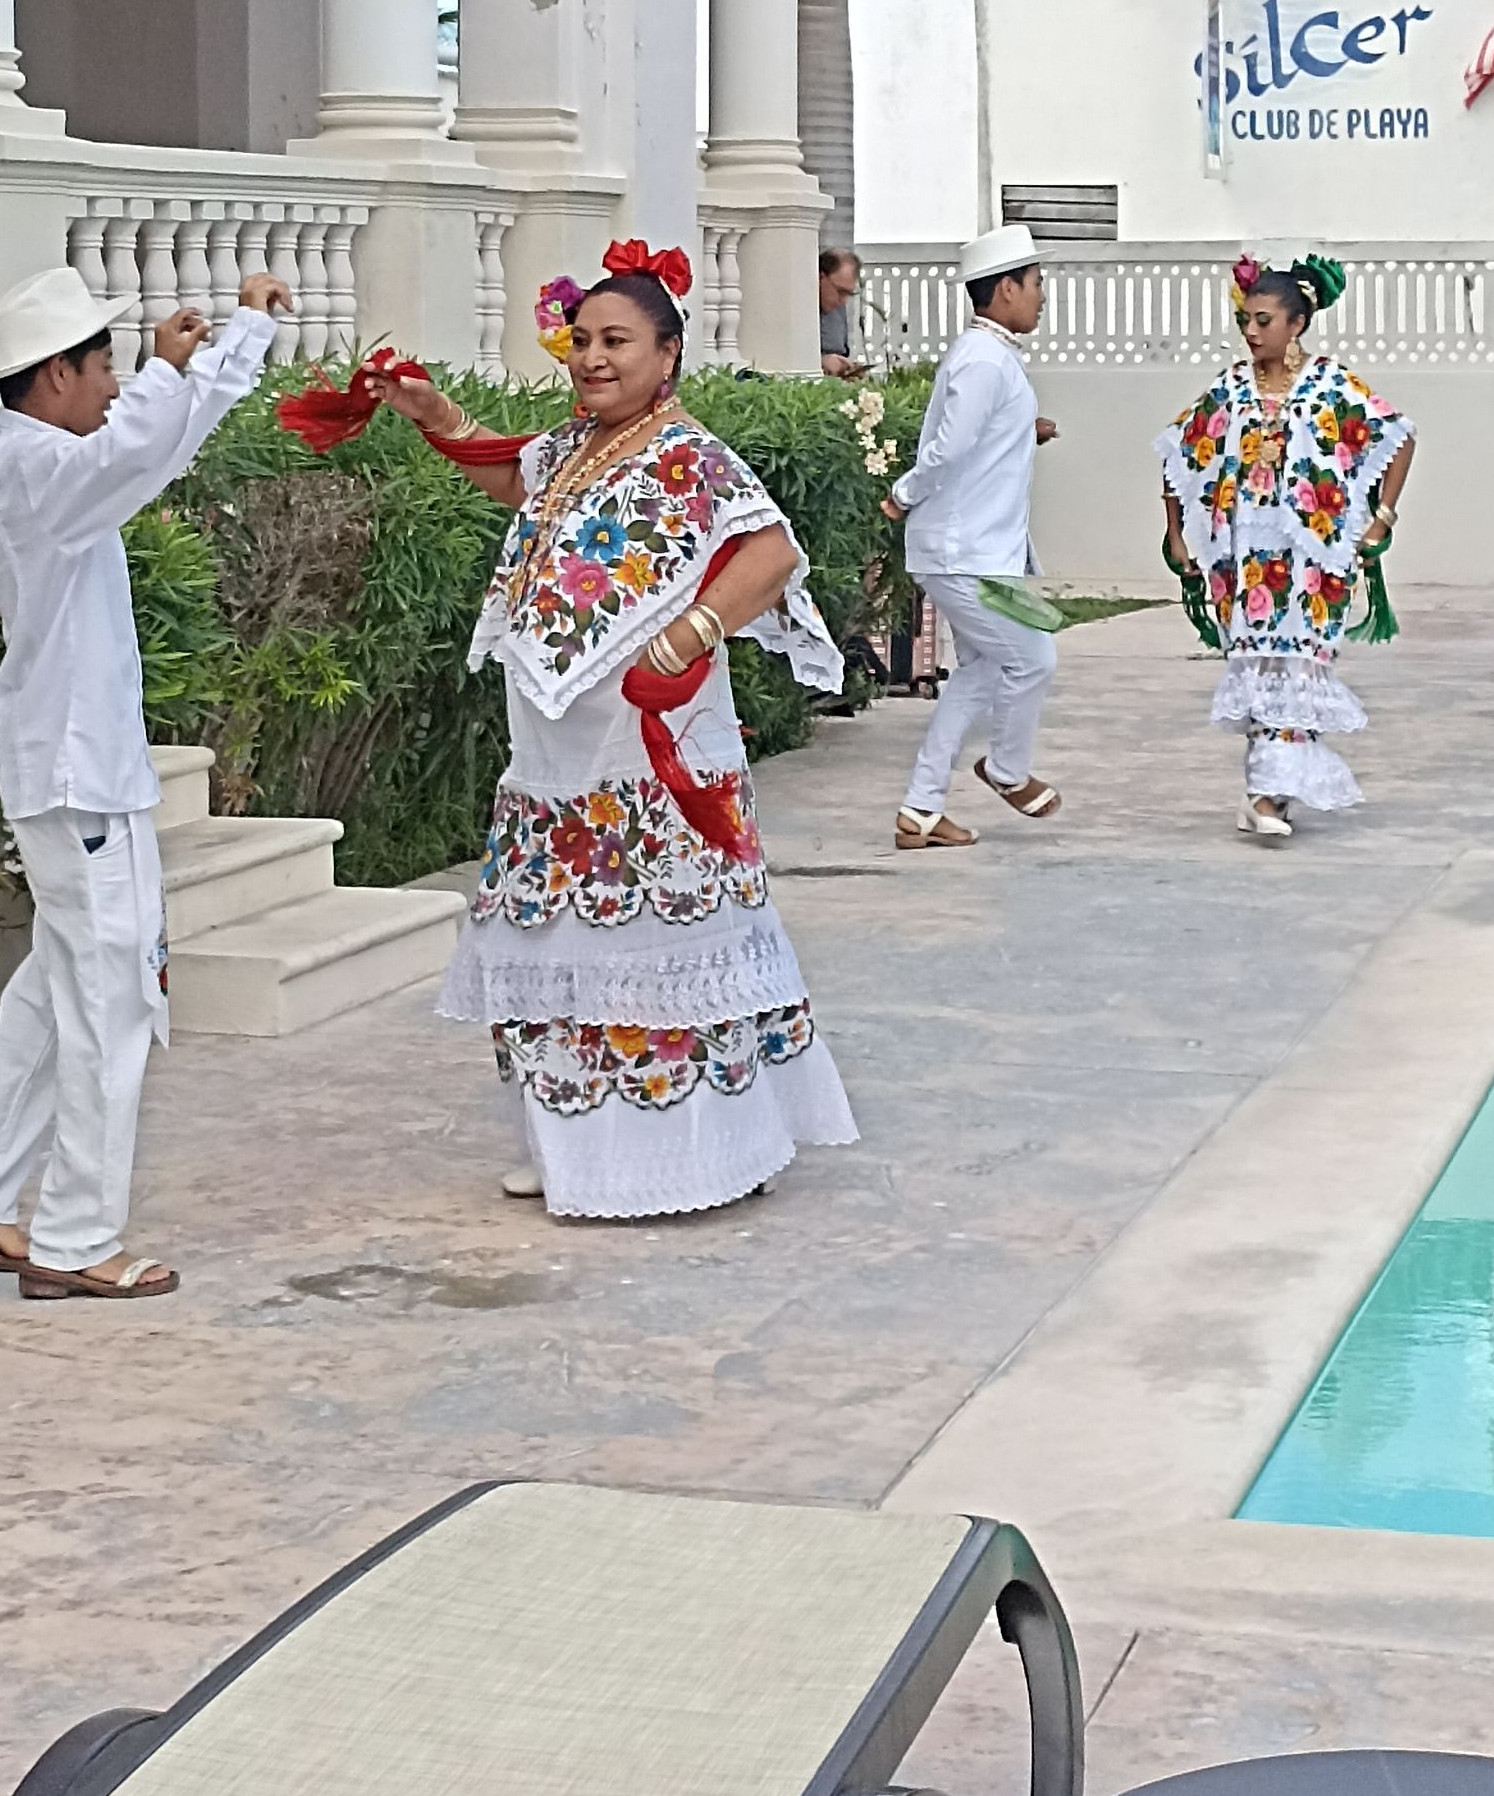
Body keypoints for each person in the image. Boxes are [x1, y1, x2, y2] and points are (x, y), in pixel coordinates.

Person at [367, 242, 858, 1218]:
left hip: (653, 746)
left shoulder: (692, 457)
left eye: (617, 340)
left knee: (663, 937)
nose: (593, 357)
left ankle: (699, 1151)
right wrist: (435, 418)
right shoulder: (572, 447)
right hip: (557, 752)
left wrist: (689, 632)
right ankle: (571, 1139)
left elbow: (769, 549)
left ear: (667, 354)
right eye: (582, 339)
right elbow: (513, 475)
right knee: (557, 937)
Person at [0, 262, 290, 1299]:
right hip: (80, 779)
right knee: (113, 997)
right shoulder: (39, 468)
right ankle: (78, 1240)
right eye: (103, 363)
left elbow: (152, 444)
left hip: (72, 770)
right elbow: (146, 448)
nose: (116, 382)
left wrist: (225, 350)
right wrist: (195, 364)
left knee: (54, 988)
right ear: (53, 378)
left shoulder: (43, 458)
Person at [1158, 254, 1415, 841]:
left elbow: (1396, 437)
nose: (1251, 332)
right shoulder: (1228, 390)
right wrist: (1176, 532)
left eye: (1264, 321)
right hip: (1241, 556)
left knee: (1300, 664)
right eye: (1246, 321)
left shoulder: (1331, 386)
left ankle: (1268, 792)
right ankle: (1266, 792)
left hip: (1314, 557)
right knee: (1256, 665)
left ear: (1296, 324)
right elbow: (1178, 455)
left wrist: (1381, 517)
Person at [885, 224, 1062, 850]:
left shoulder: (988, 356)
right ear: (1007, 288)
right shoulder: (985, 360)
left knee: (981, 671)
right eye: (1036, 284)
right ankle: (1007, 771)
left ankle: (920, 809)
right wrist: (904, 494)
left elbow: (975, 437)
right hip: (967, 555)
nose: (1042, 296)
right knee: (1034, 655)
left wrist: (1025, 431)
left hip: (981, 552)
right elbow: (949, 447)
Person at [819, 249, 867, 378]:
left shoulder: (836, 310)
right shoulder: (795, 311)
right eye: (840, 291)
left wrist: (848, 368)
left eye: (848, 294)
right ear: (820, 277)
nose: (843, 300)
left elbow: (841, 352)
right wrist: (821, 362)